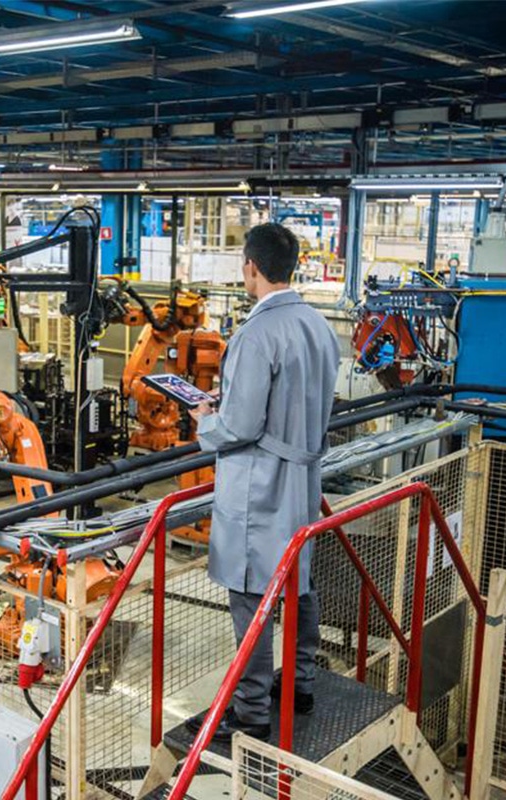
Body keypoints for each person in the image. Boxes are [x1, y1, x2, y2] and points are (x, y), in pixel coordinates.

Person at [186, 222, 340, 742]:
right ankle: (299, 683)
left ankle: (250, 712)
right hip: (303, 480)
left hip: (260, 487)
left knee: (252, 598)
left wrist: (206, 418)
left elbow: (241, 425)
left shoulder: (256, 334)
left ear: (250, 266)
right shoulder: (318, 325)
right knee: (299, 585)